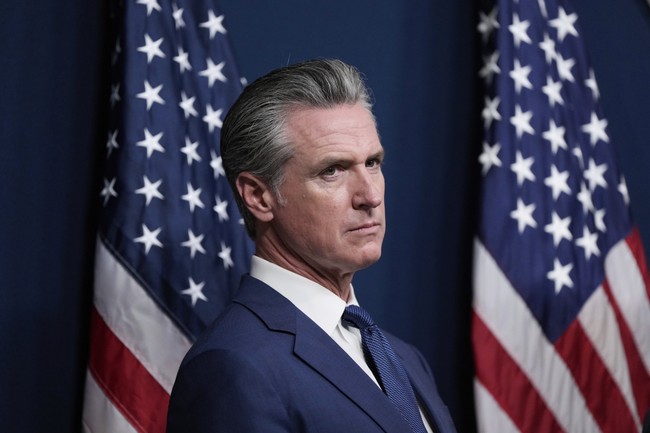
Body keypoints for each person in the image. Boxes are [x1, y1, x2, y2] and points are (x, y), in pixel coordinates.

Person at [166, 59, 457, 433]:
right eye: (332, 170)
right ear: (259, 196)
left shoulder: (404, 358)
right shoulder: (233, 366)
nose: (370, 196)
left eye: (372, 162)